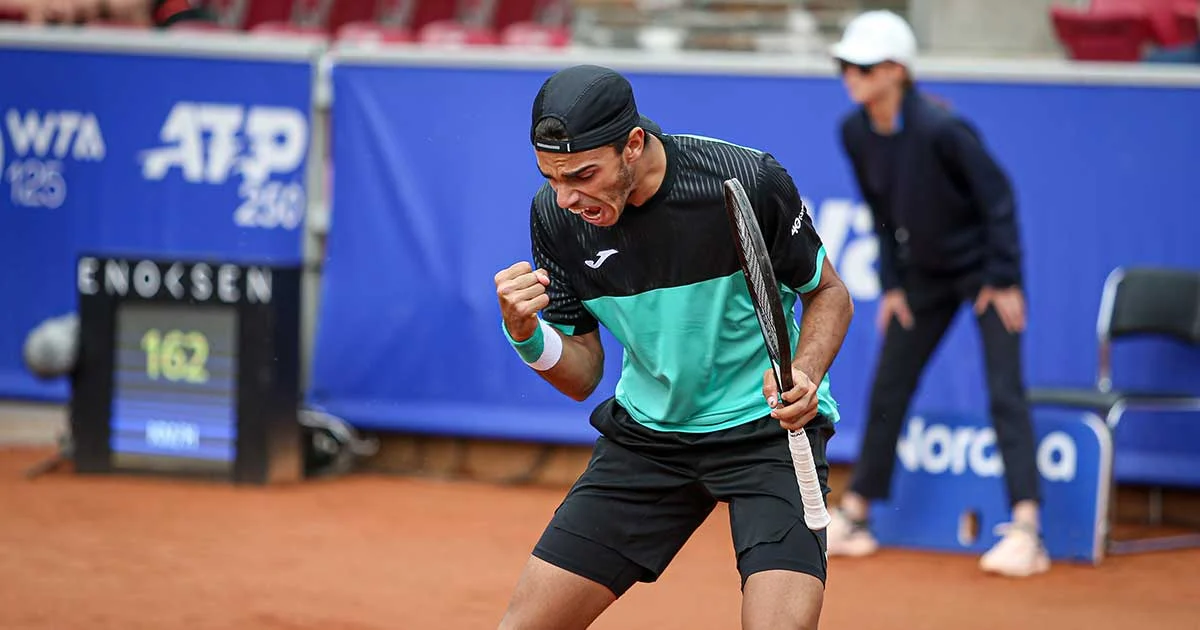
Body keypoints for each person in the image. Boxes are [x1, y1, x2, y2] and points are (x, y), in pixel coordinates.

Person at [493, 64, 854, 629]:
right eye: (552, 177)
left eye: (583, 175)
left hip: (766, 432)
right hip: (650, 438)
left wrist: (804, 372)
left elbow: (828, 291)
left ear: (633, 144)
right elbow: (584, 374)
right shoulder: (555, 218)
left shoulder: (744, 180)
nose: (565, 197)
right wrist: (526, 334)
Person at [826, 10, 1050, 578]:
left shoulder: (944, 130)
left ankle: (1027, 529)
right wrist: (896, 285)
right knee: (888, 387)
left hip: (982, 276)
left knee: (1004, 392)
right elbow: (880, 212)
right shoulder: (854, 132)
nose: (850, 74)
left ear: (897, 70)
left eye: (862, 65)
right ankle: (856, 516)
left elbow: (998, 200)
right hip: (922, 278)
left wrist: (1002, 279)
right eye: (844, 64)